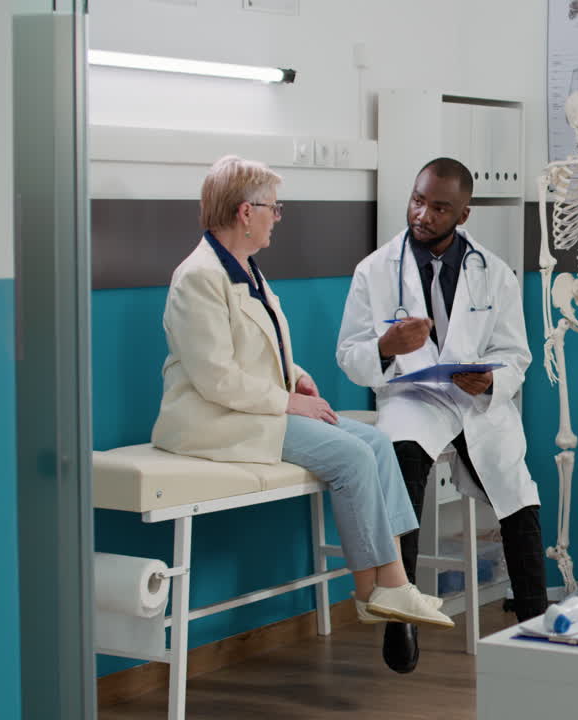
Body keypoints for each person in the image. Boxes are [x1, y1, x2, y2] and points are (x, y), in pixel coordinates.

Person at [151, 156, 453, 670]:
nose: (279, 216)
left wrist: (294, 373)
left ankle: (385, 588)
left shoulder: (244, 268)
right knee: (351, 457)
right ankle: (383, 590)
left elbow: (253, 345)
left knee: (377, 442)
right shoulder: (198, 278)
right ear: (246, 212)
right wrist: (290, 400)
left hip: (254, 408)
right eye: (274, 207)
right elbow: (215, 378)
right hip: (213, 420)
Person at [338, 157, 548, 673]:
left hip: (475, 402)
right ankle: (399, 613)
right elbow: (349, 355)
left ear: (463, 213)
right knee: (400, 462)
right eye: (417, 200)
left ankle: (537, 627)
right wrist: (385, 347)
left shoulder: (493, 273)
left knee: (517, 496)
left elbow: (517, 354)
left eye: (438, 208)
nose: (422, 214)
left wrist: (492, 379)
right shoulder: (374, 270)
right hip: (412, 399)